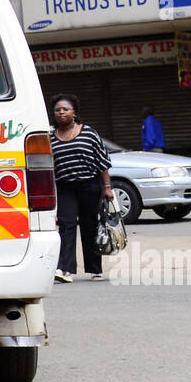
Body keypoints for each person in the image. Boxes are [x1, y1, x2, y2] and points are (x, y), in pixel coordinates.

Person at [49, 93, 114, 283]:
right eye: (58, 110)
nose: (61, 113)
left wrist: (107, 186)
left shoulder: (88, 133)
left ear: (74, 112)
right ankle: (65, 270)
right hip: (64, 187)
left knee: (90, 226)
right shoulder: (50, 137)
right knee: (67, 226)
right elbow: (50, 166)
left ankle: (95, 269)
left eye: (65, 109)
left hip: (89, 186)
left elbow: (102, 162)